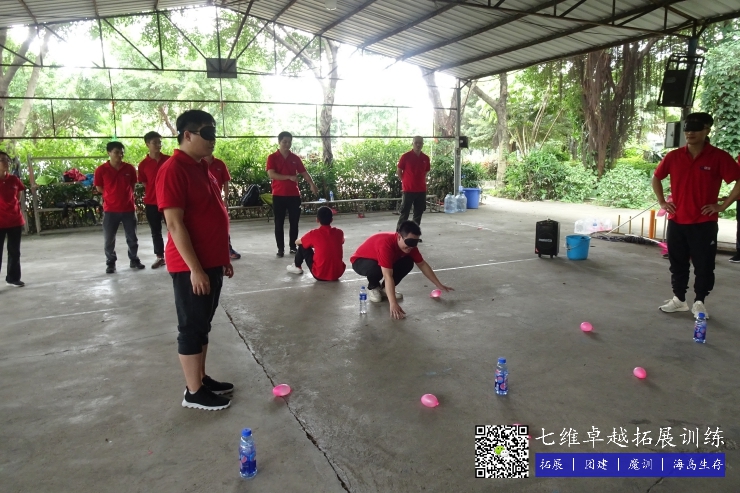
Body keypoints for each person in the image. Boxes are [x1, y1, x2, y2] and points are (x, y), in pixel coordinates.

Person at [156, 109, 234, 411]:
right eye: (207, 133)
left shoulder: (202, 167)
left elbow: (211, 214)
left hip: (210, 262)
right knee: (191, 327)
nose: (213, 140)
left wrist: (222, 257)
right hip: (191, 266)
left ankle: (200, 379)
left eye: (214, 133)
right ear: (187, 135)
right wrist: (195, 269)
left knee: (203, 324)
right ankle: (193, 392)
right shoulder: (174, 169)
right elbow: (175, 224)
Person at [652, 112, 740, 318]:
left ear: (706, 130)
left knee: (704, 265)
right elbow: (656, 177)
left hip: (704, 222)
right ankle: (679, 299)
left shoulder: (718, 157)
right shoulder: (673, 156)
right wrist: (663, 202)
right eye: (687, 129)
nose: (690, 133)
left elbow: (738, 180)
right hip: (677, 220)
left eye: (695, 129)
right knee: (677, 263)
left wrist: (723, 206)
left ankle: (699, 302)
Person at [350, 220, 453, 319]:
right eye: (409, 242)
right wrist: (393, 303)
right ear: (399, 236)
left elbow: (422, 265)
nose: (411, 246)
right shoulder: (386, 244)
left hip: (383, 261)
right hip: (361, 261)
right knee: (377, 268)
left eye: (415, 242)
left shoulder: (410, 247)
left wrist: (438, 284)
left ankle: (385, 289)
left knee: (407, 262)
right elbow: (387, 275)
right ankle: (373, 287)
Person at [94, 142, 145, 274]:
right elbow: (99, 187)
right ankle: (110, 262)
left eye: (122, 152)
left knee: (132, 237)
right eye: (116, 152)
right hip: (110, 210)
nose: (120, 155)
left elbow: (132, 185)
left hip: (128, 209)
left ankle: (134, 259)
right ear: (109, 153)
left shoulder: (129, 168)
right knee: (109, 239)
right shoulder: (101, 170)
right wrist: (111, 195)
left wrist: (126, 196)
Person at [266, 131, 318, 257]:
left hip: (294, 195)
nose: (287, 144)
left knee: (294, 222)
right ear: (279, 142)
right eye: (284, 142)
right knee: (279, 223)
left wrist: (312, 184)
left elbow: (304, 173)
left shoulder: (295, 158)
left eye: (289, 142)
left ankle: (293, 247)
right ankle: (280, 249)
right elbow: (272, 174)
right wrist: (289, 177)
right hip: (278, 195)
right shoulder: (272, 157)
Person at [137, 131, 170, 269]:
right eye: (155, 142)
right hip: (151, 202)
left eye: (159, 142)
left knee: (175, 228)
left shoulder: (169, 160)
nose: (158, 145)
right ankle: (160, 257)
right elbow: (145, 183)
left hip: (169, 201)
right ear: (147, 144)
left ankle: (179, 254)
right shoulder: (143, 165)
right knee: (155, 231)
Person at [286, 206, 345, 281]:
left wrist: (310, 243)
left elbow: (297, 242)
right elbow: (340, 242)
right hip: (337, 273)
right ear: (332, 220)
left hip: (319, 274)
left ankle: (297, 266)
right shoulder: (339, 232)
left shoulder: (314, 234)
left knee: (302, 245)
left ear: (317, 220)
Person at [205, 154, 241, 260]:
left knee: (223, 225)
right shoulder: (197, 163)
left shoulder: (220, 164)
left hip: (218, 200)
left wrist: (226, 198)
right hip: (203, 201)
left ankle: (228, 249)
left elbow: (226, 182)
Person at [0, 151, 26, 287]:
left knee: (14, 251)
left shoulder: (14, 179)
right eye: (2, 160)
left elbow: (19, 195)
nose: (6, 163)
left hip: (15, 220)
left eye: (7, 160)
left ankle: (13, 278)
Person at [396, 136, 431, 233]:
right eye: (416, 142)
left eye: (420, 143)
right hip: (408, 190)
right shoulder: (405, 156)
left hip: (421, 190)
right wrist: (404, 181)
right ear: (412, 143)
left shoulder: (425, 158)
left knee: (418, 214)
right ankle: (399, 234)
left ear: (423, 144)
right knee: (404, 213)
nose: (418, 145)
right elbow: (399, 171)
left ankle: (413, 235)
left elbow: (426, 171)